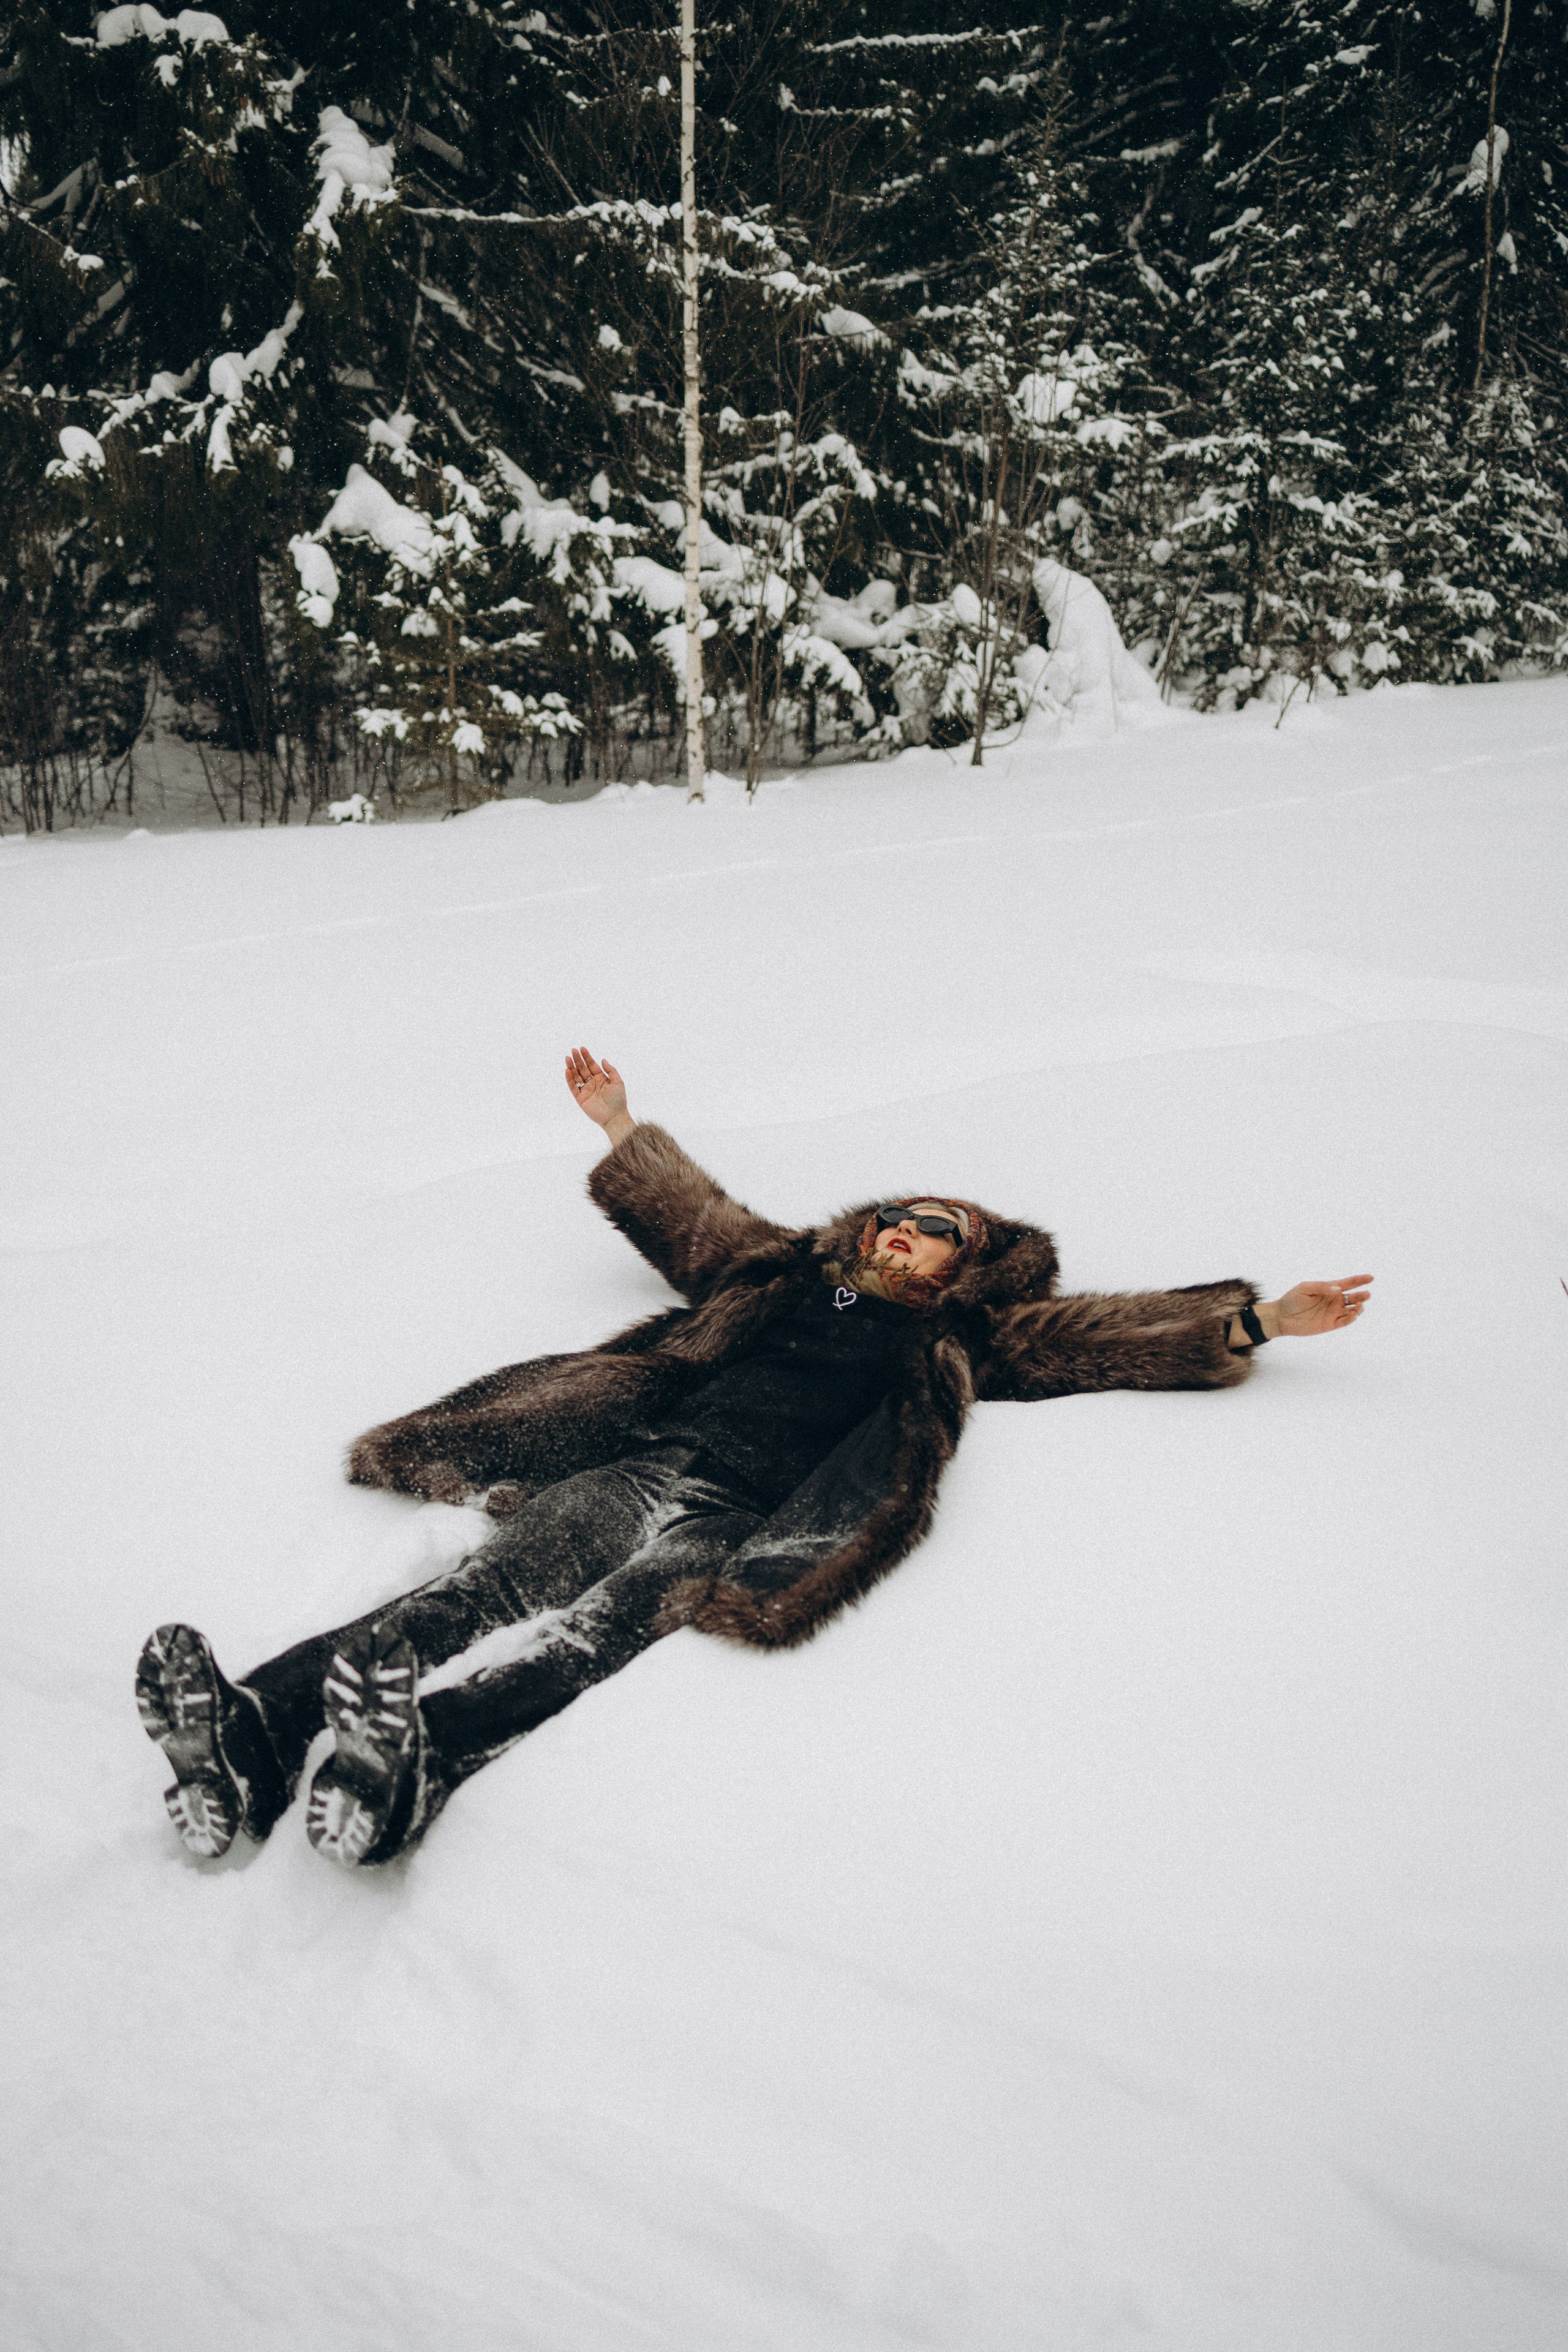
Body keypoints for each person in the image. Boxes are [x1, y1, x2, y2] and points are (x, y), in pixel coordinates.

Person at [137, 1048, 1373, 1869]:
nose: (902, 1234)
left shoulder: (968, 1336)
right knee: (476, 1592)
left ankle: (413, 1764)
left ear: (964, 1264)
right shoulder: (777, 1267)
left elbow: (1097, 1339)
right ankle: (253, 1730)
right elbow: (694, 1219)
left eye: (932, 1230)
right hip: (640, 1464)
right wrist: (622, 1127)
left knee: (592, 1633)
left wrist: (1252, 1322)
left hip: (735, 1520)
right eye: (896, 1215)